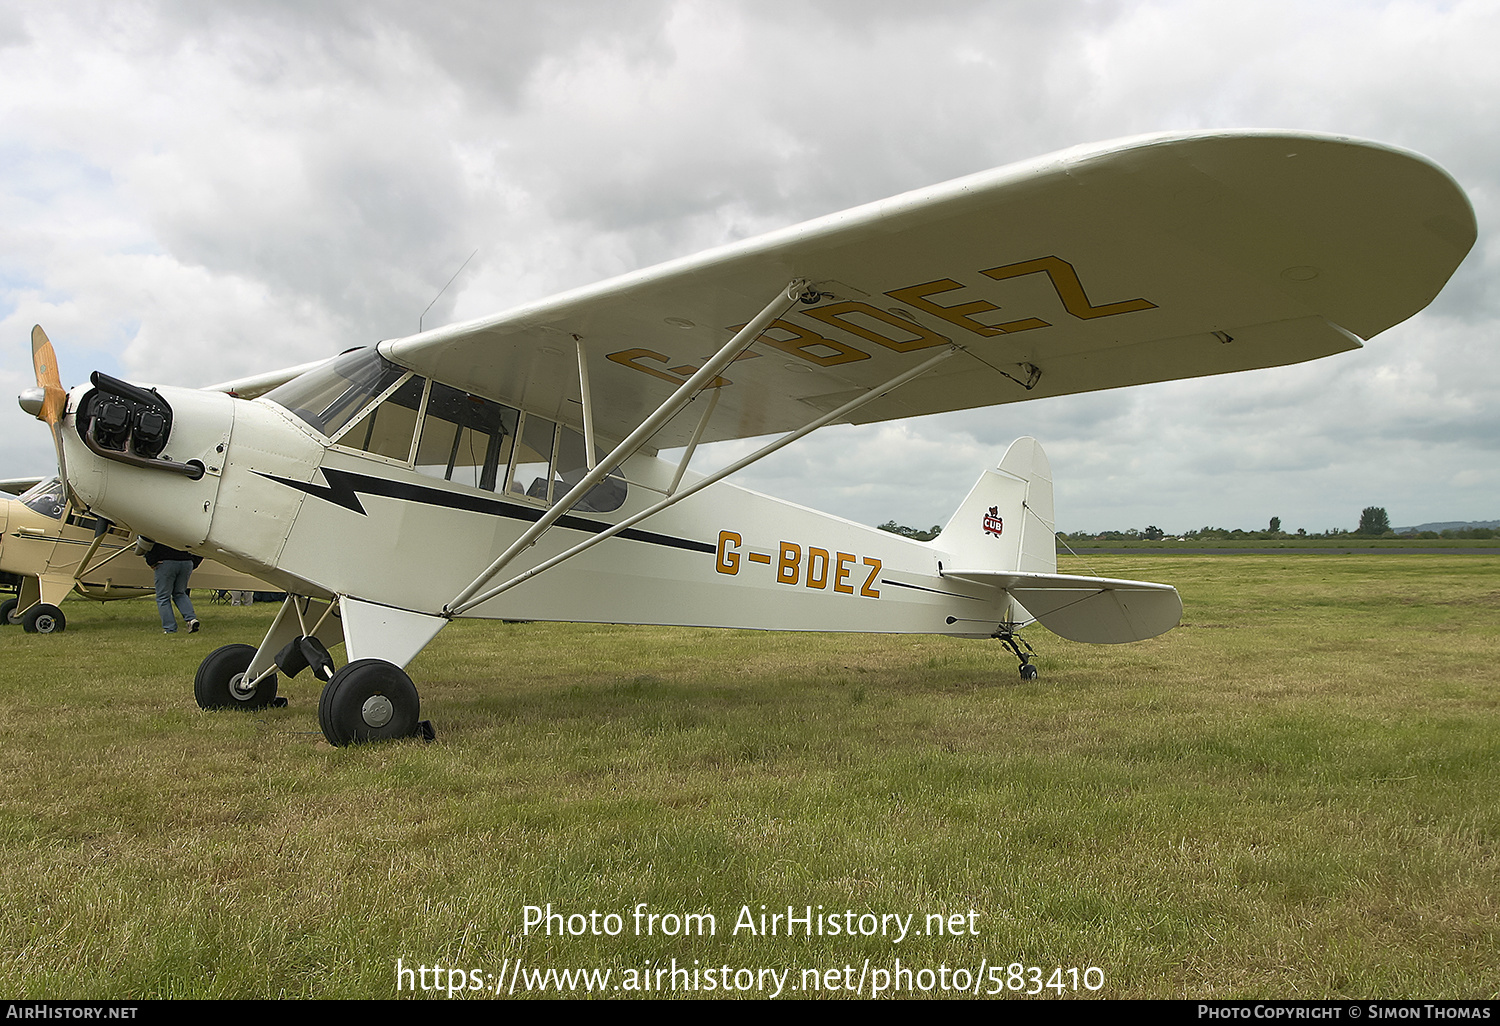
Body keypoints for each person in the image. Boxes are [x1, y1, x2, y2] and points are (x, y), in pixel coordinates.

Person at [139, 538, 203, 634]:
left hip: (165, 561)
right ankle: (191, 619)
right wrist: (193, 562)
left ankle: (170, 628)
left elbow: (147, 540)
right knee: (180, 593)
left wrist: (151, 561)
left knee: (163, 597)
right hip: (186, 561)